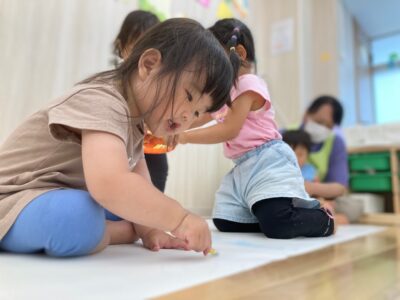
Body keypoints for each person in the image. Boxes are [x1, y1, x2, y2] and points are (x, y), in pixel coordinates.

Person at [0, 18, 233, 257]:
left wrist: (150, 230)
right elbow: (111, 184)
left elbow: (139, 184)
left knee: (136, 203)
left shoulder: (136, 124)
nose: (188, 117)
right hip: (12, 199)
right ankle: (111, 232)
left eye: (198, 112)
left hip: (50, 195)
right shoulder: (103, 100)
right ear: (150, 65)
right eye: (189, 95)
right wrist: (180, 219)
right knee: (80, 215)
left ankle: (108, 228)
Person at [179, 18, 335, 239]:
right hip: (243, 166)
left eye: (214, 62)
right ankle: (269, 217)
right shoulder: (225, 93)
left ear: (239, 54)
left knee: (278, 225)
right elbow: (201, 115)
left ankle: (323, 220)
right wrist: (175, 125)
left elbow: (229, 130)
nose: (211, 71)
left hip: (268, 161)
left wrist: (183, 137)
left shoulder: (249, 84)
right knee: (225, 220)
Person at [113, 10, 168, 192]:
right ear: (121, 47)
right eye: (136, 46)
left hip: (152, 153)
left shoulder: (161, 83)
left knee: (152, 193)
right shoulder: (115, 83)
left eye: (149, 47)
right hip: (120, 151)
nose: (141, 55)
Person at [301, 96, 348, 198]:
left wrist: (309, 187)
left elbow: (340, 187)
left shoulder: (335, 142)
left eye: (328, 126)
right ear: (306, 114)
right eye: (319, 122)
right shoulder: (284, 135)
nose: (322, 129)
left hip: (318, 198)